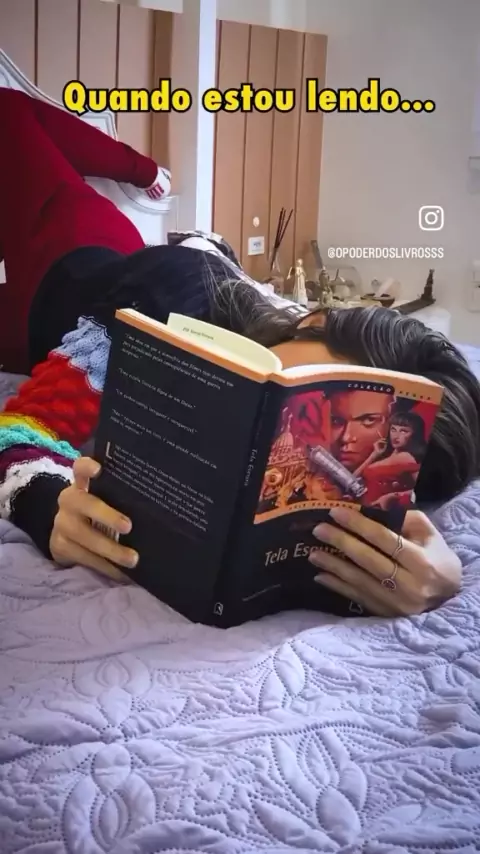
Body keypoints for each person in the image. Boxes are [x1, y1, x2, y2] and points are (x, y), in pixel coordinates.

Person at [0, 89, 479, 620]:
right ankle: (145, 169)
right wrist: (46, 503)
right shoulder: (162, 308)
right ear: (311, 322)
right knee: (8, 113)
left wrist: (443, 575)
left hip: (154, 271)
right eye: (298, 394)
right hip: (66, 262)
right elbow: (17, 430)